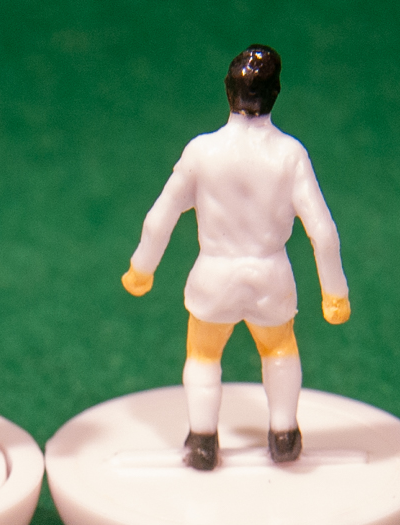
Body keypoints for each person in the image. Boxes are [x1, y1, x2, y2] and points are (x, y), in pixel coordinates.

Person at [122, 45, 350, 471]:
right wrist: (334, 292)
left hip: (214, 274)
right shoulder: (290, 155)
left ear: (228, 90)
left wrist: (142, 268)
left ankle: (203, 439)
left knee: (203, 354)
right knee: (279, 348)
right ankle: (284, 433)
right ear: (275, 93)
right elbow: (322, 231)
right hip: (271, 275)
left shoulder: (202, 152)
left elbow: (160, 217)